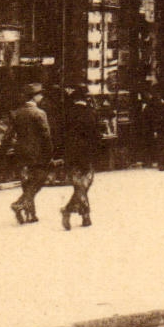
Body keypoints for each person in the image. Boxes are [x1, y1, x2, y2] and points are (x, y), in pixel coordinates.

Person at [7, 84, 53, 225]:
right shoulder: (39, 113)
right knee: (39, 179)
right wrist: (49, 154)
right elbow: (46, 136)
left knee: (27, 182)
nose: (42, 97)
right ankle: (20, 204)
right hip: (37, 154)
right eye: (40, 94)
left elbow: (9, 134)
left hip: (20, 152)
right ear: (35, 96)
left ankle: (31, 214)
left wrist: (3, 152)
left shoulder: (17, 113)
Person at [57, 87, 101, 230]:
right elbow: (96, 136)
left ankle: (84, 215)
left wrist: (60, 154)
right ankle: (75, 211)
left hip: (71, 155)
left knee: (78, 185)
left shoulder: (66, 114)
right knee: (85, 184)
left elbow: (60, 136)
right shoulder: (91, 113)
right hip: (86, 154)